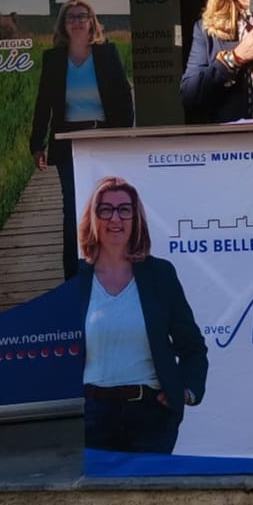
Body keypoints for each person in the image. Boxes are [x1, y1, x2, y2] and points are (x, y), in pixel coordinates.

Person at [78, 176, 208, 453]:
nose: (116, 218)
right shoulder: (75, 279)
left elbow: (192, 347)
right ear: (93, 217)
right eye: (106, 209)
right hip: (90, 418)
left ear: (136, 219)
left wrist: (186, 390)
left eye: (125, 210)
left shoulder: (160, 275)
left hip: (151, 418)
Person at [30, 0, 134, 281]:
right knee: (73, 209)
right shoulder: (53, 59)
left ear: (92, 21)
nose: (77, 21)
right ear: (63, 24)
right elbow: (43, 104)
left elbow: (125, 98)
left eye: (82, 16)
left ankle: (110, 269)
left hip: (104, 139)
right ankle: (73, 276)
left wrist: (124, 137)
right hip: (68, 143)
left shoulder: (107, 54)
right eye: (71, 17)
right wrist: (37, 143)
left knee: (108, 205)